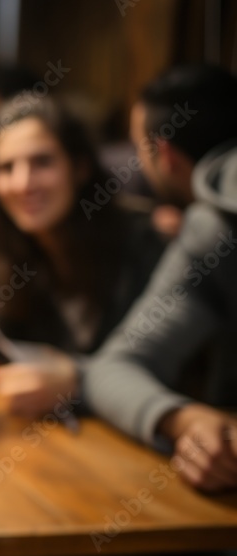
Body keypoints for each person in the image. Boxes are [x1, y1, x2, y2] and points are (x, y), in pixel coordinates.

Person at [83, 64, 237, 492]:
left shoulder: (215, 228)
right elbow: (109, 370)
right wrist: (190, 420)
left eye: (140, 150)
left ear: (165, 156)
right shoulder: (213, 230)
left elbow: (111, 368)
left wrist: (181, 420)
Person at [0, 97, 164, 418]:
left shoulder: (144, 243)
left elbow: (163, 364)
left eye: (42, 162)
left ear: (80, 167)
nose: (22, 183)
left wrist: (76, 380)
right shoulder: (11, 255)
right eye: (6, 168)